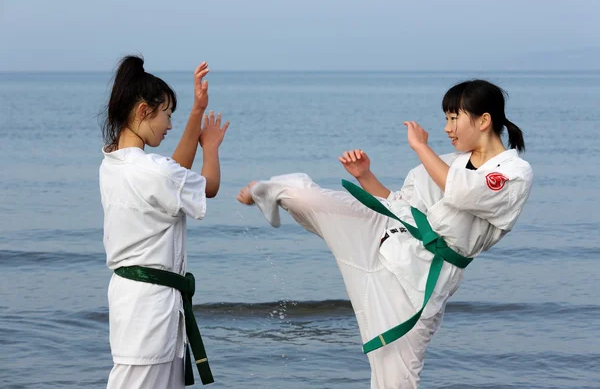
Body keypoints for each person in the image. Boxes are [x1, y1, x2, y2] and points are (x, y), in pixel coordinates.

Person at [236, 79, 533, 388]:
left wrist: (420, 147)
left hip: (420, 282)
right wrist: (366, 176)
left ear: (484, 120)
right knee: (309, 198)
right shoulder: (449, 163)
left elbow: (463, 194)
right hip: (385, 234)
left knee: (394, 380)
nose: (447, 128)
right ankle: (265, 191)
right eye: (446, 118)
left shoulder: (513, 173)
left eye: (454, 117)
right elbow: (402, 206)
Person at [99, 55, 229, 388]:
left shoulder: (113, 163)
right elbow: (207, 186)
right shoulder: (153, 171)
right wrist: (210, 146)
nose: (169, 126)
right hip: (151, 307)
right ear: (144, 111)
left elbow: (173, 176)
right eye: (166, 115)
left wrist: (197, 111)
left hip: (136, 299)